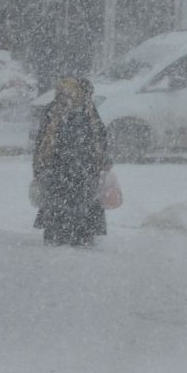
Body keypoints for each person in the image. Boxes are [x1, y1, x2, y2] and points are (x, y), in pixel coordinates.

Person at [33, 76, 111, 247]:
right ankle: (70, 235)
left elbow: (100, 137)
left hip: (79, 170)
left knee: (73, 206)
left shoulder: (87, 112)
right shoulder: (59, 112)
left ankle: (75, 235)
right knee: (67, 206)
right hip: (65, 171)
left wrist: (103, 160)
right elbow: (42, 142)